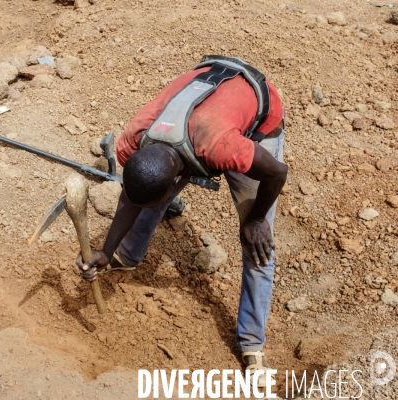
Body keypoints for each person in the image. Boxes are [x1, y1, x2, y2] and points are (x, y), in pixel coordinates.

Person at [77, 57, 287, 384]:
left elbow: (277, 173)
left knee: (258, 243)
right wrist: (106, 251)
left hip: (255, 120)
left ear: (178, 182)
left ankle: (251, 341)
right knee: (148, 196)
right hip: (207, 106)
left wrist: (256, 218)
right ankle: (128, 256)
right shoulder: (136, 139)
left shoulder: (222, 148)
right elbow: (133, 195)